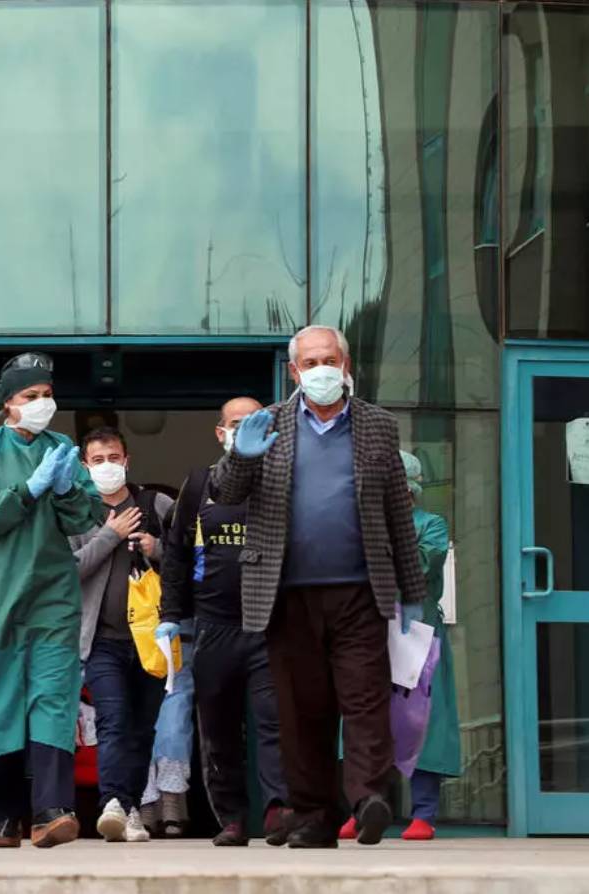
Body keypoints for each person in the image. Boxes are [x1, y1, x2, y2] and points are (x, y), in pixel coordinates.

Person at [213, 325, 425, 849]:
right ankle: (314, 816)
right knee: (301, 711)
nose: (321, 370)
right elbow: (225, 492)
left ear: (346, 365)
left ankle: (369, 798)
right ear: (294, 372)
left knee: (365, 699)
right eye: (310, 363)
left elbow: (397, 507)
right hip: (286, 593)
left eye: (329, 360)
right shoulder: (268, 423)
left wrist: (413, 591)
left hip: (359, 589)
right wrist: (242, 455)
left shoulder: (378, 424)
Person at [0, 352, 105, 849]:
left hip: (50, 595)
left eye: (47, 394)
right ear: (8, 403)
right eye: (30, 396)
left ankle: (51, 811)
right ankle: (3, 817)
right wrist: (29, 489)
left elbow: (85, 516)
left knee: (53, 698)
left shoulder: (61, 448)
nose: (43, 403)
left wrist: (64, 491)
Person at [157, 397, 289, 847]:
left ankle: (278, 810)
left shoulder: (282, 483)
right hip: (213, 626)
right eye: (235, 423)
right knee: (218, 730)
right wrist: (170, 614)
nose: (243, 430)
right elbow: (176, 555)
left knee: (274, 722)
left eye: (254, 422)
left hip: (270, 625)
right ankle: (231, 818)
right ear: (220, 433)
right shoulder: (200, 484)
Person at [341, 450, 459, 841]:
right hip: (369, 630)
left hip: (417, 632)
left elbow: (419, 566)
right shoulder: (360, 526)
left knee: (421, 720)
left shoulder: (431, 525)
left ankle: (424, 813)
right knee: (365, 717)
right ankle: (363, 806)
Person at [69, 426, 173, 843]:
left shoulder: (157, 504)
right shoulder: (77, 511)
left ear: (127, 460)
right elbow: (69, 569)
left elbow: (190, 558)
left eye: (113, 458)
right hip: (102, 642)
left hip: (151, 640)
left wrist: (156, 548)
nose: (107, 466)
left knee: (142, 728)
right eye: (98, 460)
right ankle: (113, 802)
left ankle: (129, 809)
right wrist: (109, 535)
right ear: (85, 466)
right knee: (113, 722)